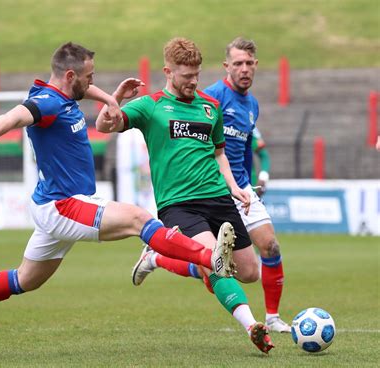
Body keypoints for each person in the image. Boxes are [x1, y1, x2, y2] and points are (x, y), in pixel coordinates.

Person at [0, 41, 231, 352]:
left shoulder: (64, 91)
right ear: (71, 75)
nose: (93, 81)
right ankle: (209, 258)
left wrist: (110, 99)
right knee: (137, 219)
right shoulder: (47, 103)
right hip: (63, 204)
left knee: (25, 279)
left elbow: (85, 90)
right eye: (90, 76)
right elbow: (15, 116)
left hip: (57, 204)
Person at [96, 38, 274, 354]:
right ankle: (252, 325)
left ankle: (157, 257)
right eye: (186, 75)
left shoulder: (210, 106)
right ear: (168, 71)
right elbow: (104, 125)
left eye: (196, 74)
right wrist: (116, 99)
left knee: (249, 272)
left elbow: (220, 154)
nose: (193, 81)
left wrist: (234, 188)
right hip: (178, 204)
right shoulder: (150, 106)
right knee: (217, 263)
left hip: (219, 197)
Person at [203, 37, 290, 332]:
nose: (244, 69)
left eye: (248, 63)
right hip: (214, 190)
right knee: (227, 266)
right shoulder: (212, 97)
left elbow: (246, 148)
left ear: (255, 65)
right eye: (237, 63)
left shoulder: (252, 104)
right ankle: (163, 257)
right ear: (226, 66)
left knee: (270, 246)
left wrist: (251, 184)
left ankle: (274, 317)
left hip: (243, 189)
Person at [250, 127, 271, 197]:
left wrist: (263, 177)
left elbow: (264, 156)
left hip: (248, 184)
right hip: (221, 186)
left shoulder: (249, 129)